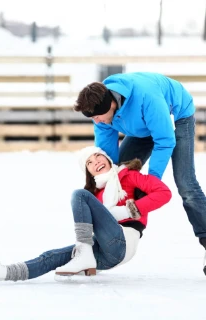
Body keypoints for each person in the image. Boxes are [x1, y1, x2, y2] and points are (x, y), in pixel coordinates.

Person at [0, 146, 171, 284]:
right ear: (89, 173)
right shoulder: (95, 195)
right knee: (51, 257)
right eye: (89, 162)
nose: (95, 161)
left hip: (124, 240)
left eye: (98, 155)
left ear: (107, 158)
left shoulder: (129, 175)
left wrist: (129, 210)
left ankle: (83, 254)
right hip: (107, 254)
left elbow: (164, 193)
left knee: (79, 195)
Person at [74, 72, 206, 273]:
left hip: (177, 116)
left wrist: (152, 180)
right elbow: (109, 157)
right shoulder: (99, 108)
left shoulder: (147, 97)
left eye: (97, 117)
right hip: (142, 127)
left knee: (186, 185)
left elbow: (165, 140)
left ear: (110, 105)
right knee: (117, 177)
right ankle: (107, 240)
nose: (97, 121)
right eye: (93, 118)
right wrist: (107, 179)